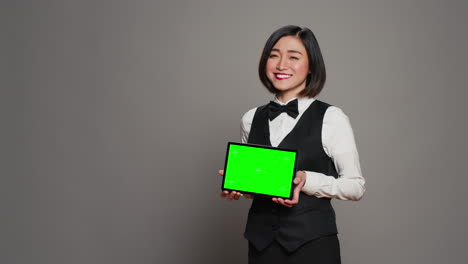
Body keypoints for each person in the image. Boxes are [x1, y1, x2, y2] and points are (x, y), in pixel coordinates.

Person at [219, 25, 365, 264]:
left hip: (313, 246)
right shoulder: (250, 118)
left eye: (294, 57)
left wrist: (307, 179)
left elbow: (356, 187)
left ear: (311, 67)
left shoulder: (332, 117)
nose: (281, 65)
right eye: (274, 55)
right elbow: (263, 183)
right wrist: (238, 185)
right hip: (261, 245)